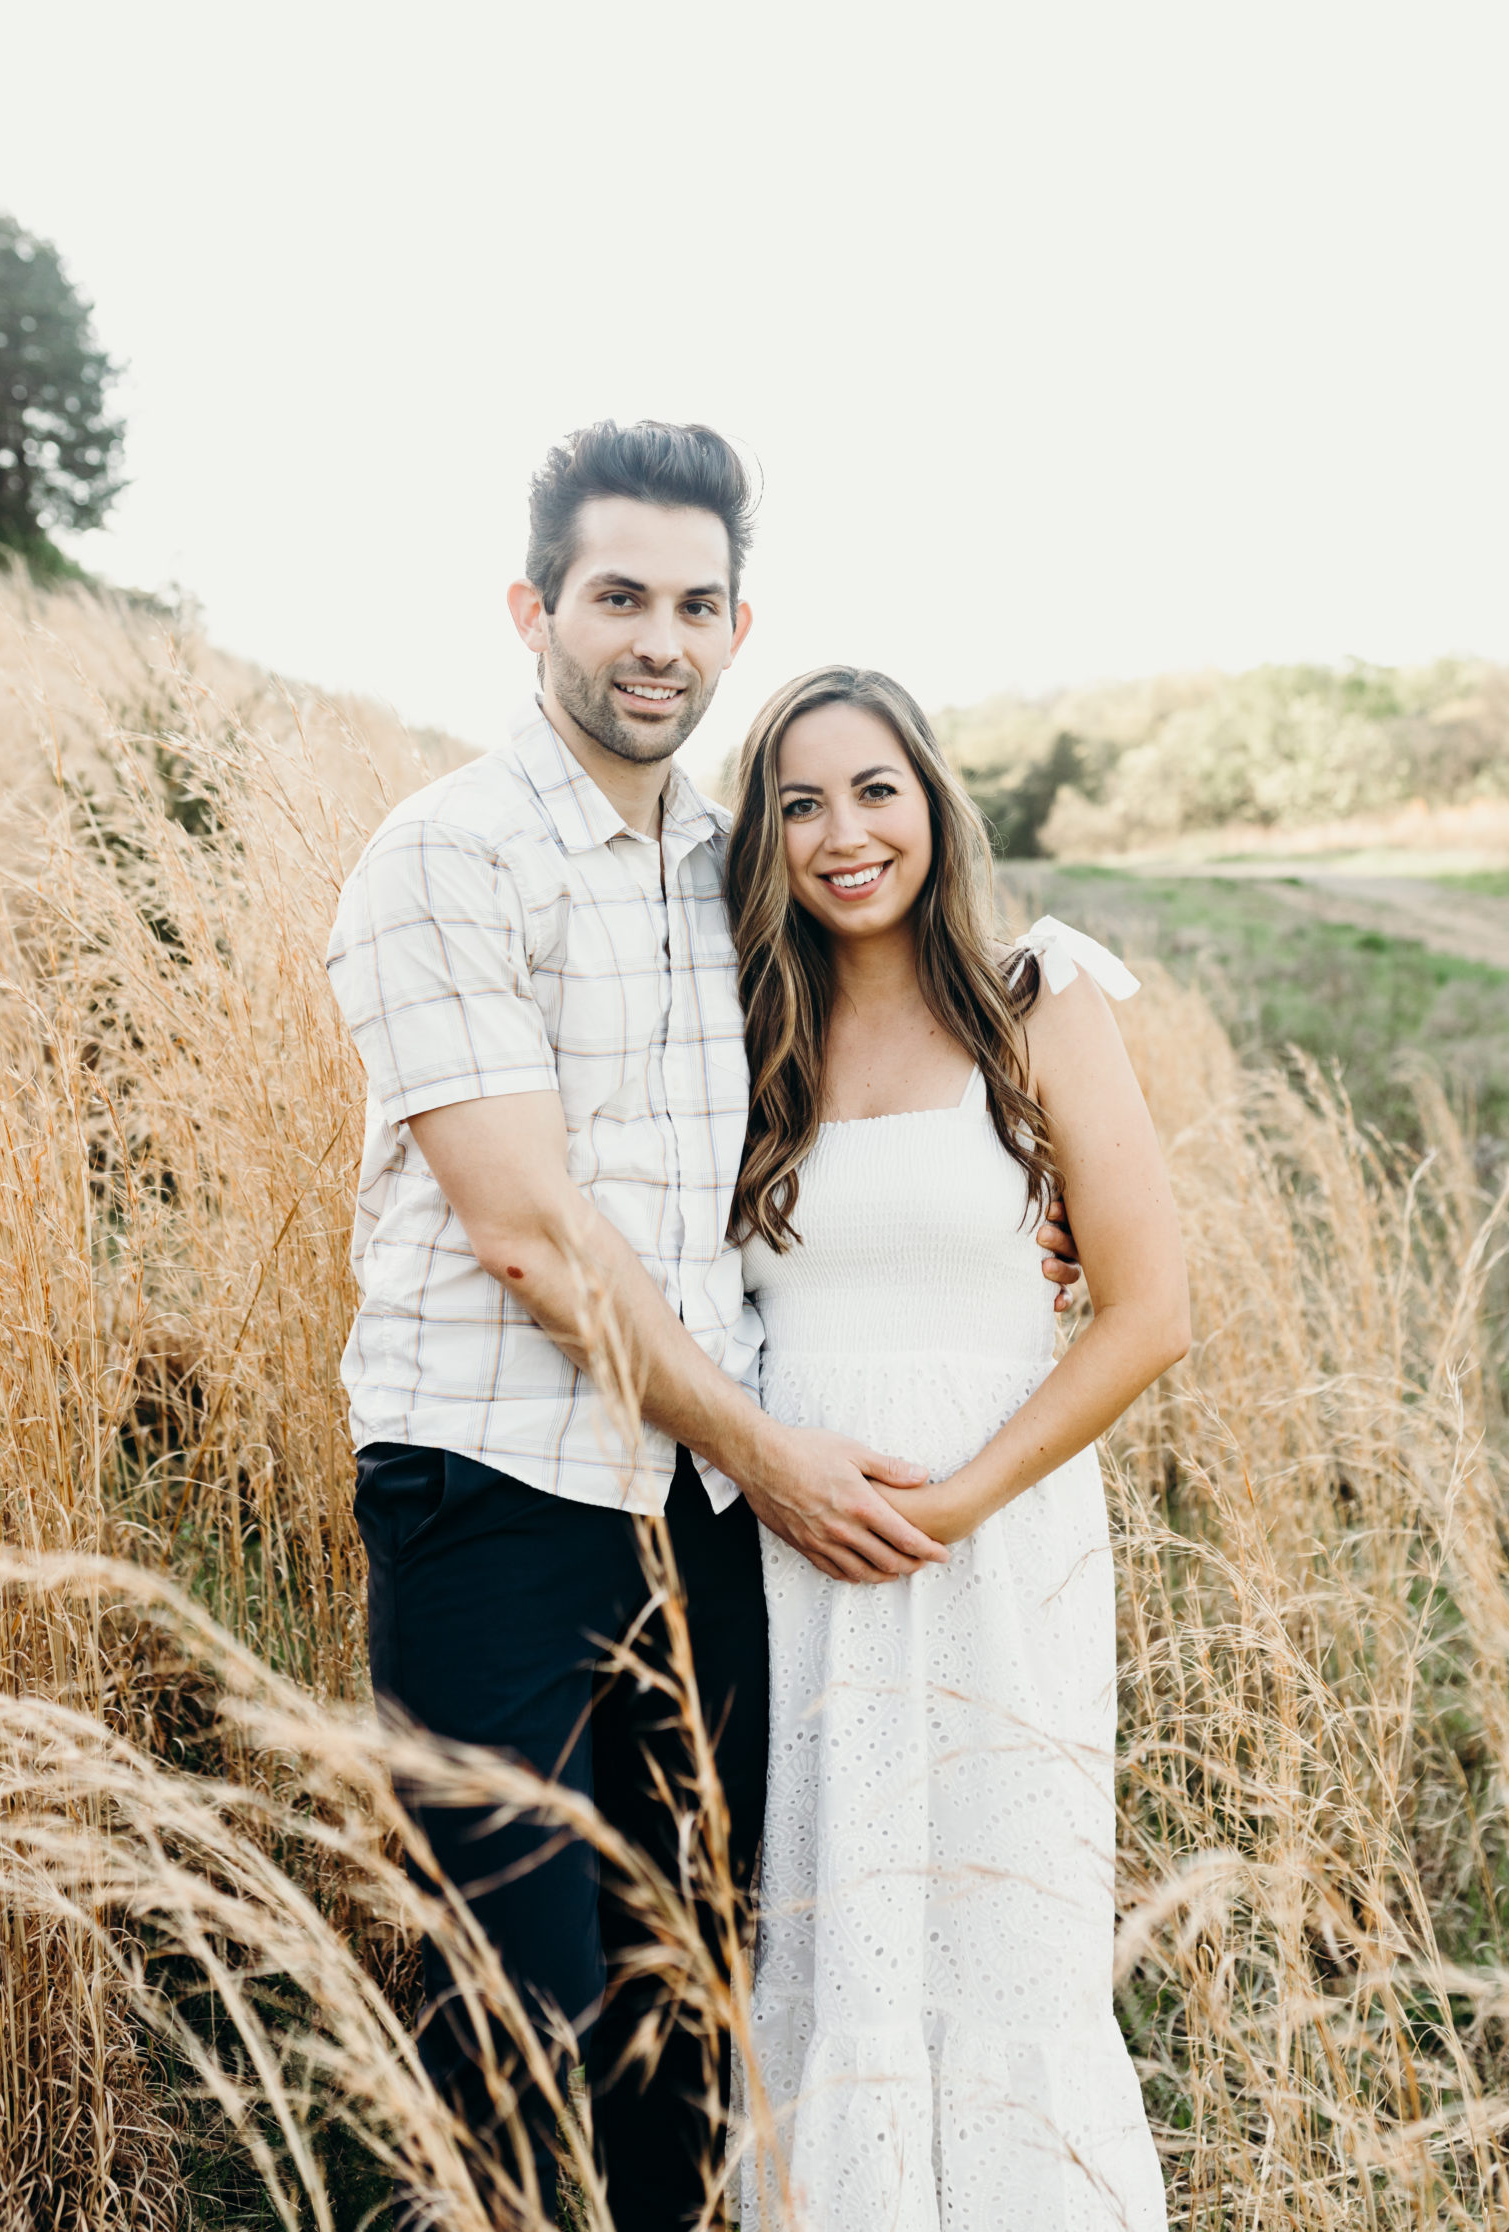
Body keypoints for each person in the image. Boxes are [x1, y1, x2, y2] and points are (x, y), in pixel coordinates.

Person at [325, 422, 1078, 2229]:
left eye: (692, 604)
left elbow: (888, 1052)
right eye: (617, 598)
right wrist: (768, 1453)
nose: (656, 640)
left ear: (740, 625)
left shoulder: (734, 864)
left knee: (691, 2003)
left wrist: (1019, 1200)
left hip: (706, 1525)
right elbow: (527, 1233)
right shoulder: (447, 858)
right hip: (497, 1492)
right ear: (533, 612)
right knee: (517, 2017)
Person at [727, 665, 1188, 2232]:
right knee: (832, 1946)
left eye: (876, 791)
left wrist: (961, 1503)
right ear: (765, 837)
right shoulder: (743, 1028)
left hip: (1000, 1552)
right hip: (796, 1560)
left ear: (932, 801)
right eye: (800, 804)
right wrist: (785, 1476)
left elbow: (1148, 1311)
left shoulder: (1035, 997)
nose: (843, 834)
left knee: (1003, 1942)